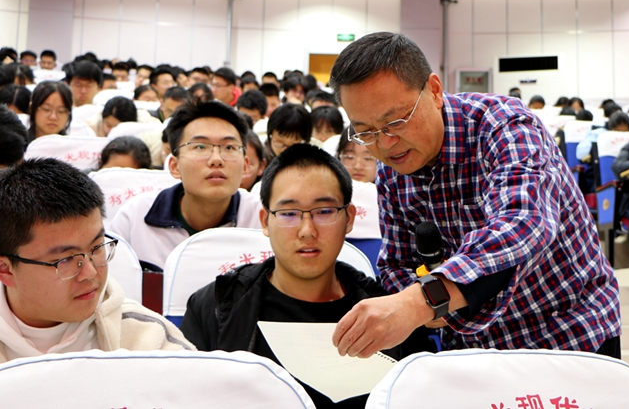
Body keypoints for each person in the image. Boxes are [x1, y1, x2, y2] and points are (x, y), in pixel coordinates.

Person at [328, 32, 620, 357]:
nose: (385, 143)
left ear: (434, 91)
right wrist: (423, 302)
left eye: (395, 121)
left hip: (567, 335)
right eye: (366, 131)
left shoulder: (505, 125)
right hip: (474, 351)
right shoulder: (392, 171)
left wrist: (420, 301)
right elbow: (397, 263)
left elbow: (522, 224)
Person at [180, 143, 430, 409]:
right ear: (265, 221)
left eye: (324, 212)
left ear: (349, 218)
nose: (307, 231)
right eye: (289, 214)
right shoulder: (215, 306)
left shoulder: (389, 312)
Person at [0, 158, 193, 362]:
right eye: (65, 259)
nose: (90, 273)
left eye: (97, 247)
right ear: (5, 269)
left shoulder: (146, 339)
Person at [110, 100, 262, 269]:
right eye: (201, 147)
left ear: (245, 166)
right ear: (175, 166)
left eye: (229, 148)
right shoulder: (134, 219)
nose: (216, 159)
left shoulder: (263, 220)